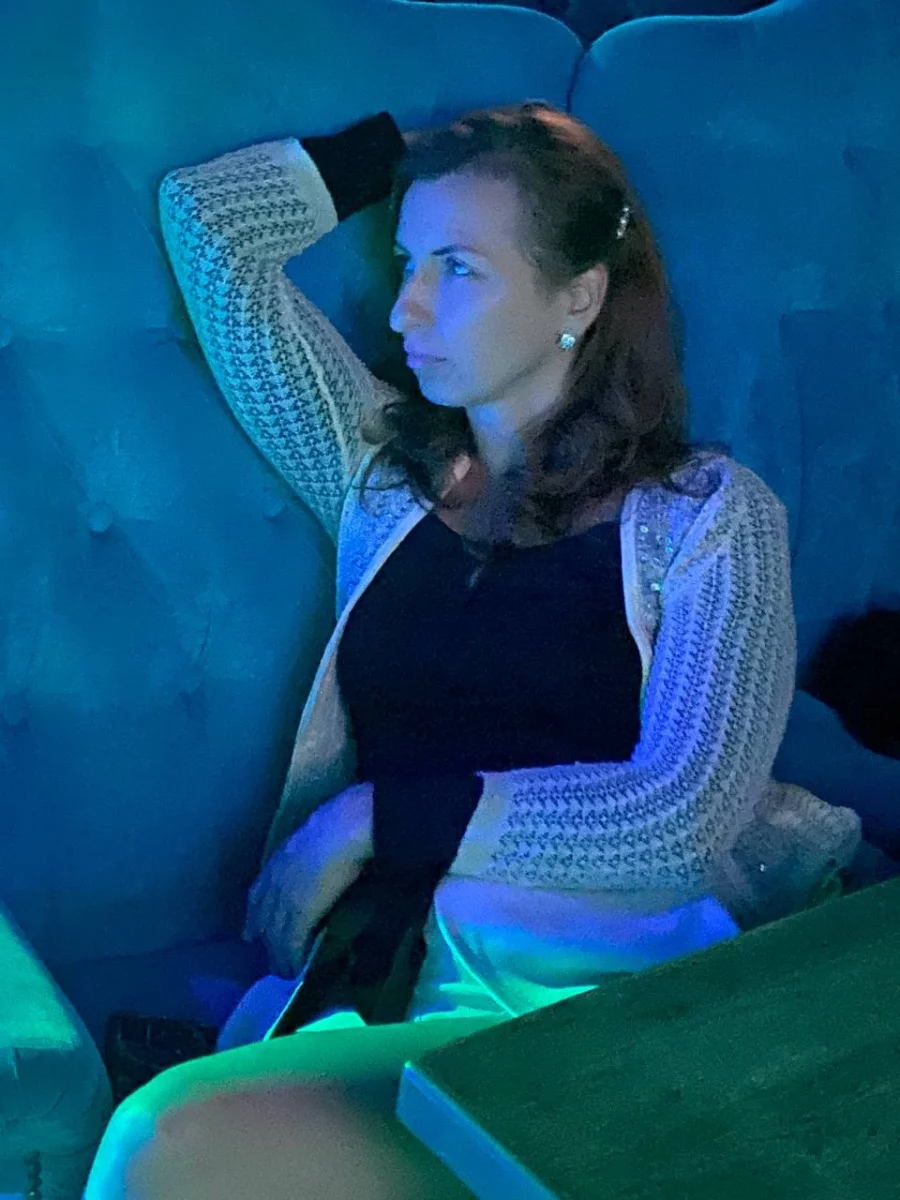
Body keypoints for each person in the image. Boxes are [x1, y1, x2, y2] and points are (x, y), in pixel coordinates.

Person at [84, 101, 869, 1197]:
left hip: (597, 970)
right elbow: (210, 226)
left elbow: (685, 813)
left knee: (169, 1141)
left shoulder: (710, 515)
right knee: (176, 1145)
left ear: (578, 297)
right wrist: (411, 148)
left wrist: (372, 821)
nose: (405, 307)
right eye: (408, 261)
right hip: (395, 961)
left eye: (458, 269)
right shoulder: (379, 473)